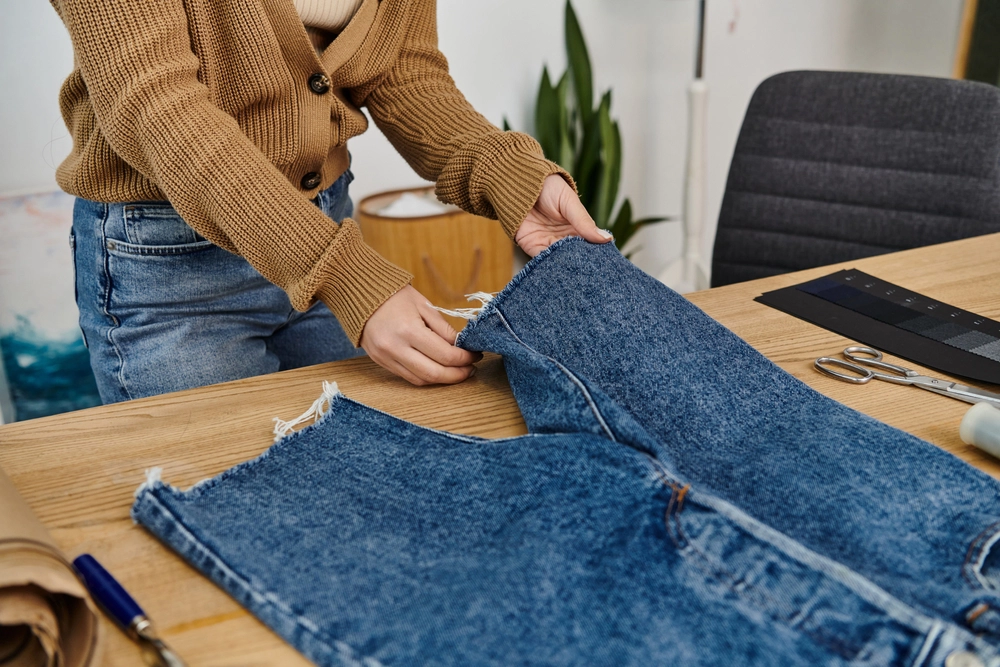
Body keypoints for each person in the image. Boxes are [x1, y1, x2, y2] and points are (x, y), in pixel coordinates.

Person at [51, 0, 611, 403]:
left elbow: (399, 66)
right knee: (229, 514)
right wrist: (342, 272)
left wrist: (508, 174)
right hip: (174, 269)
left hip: (324, 227)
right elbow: (158, 108)